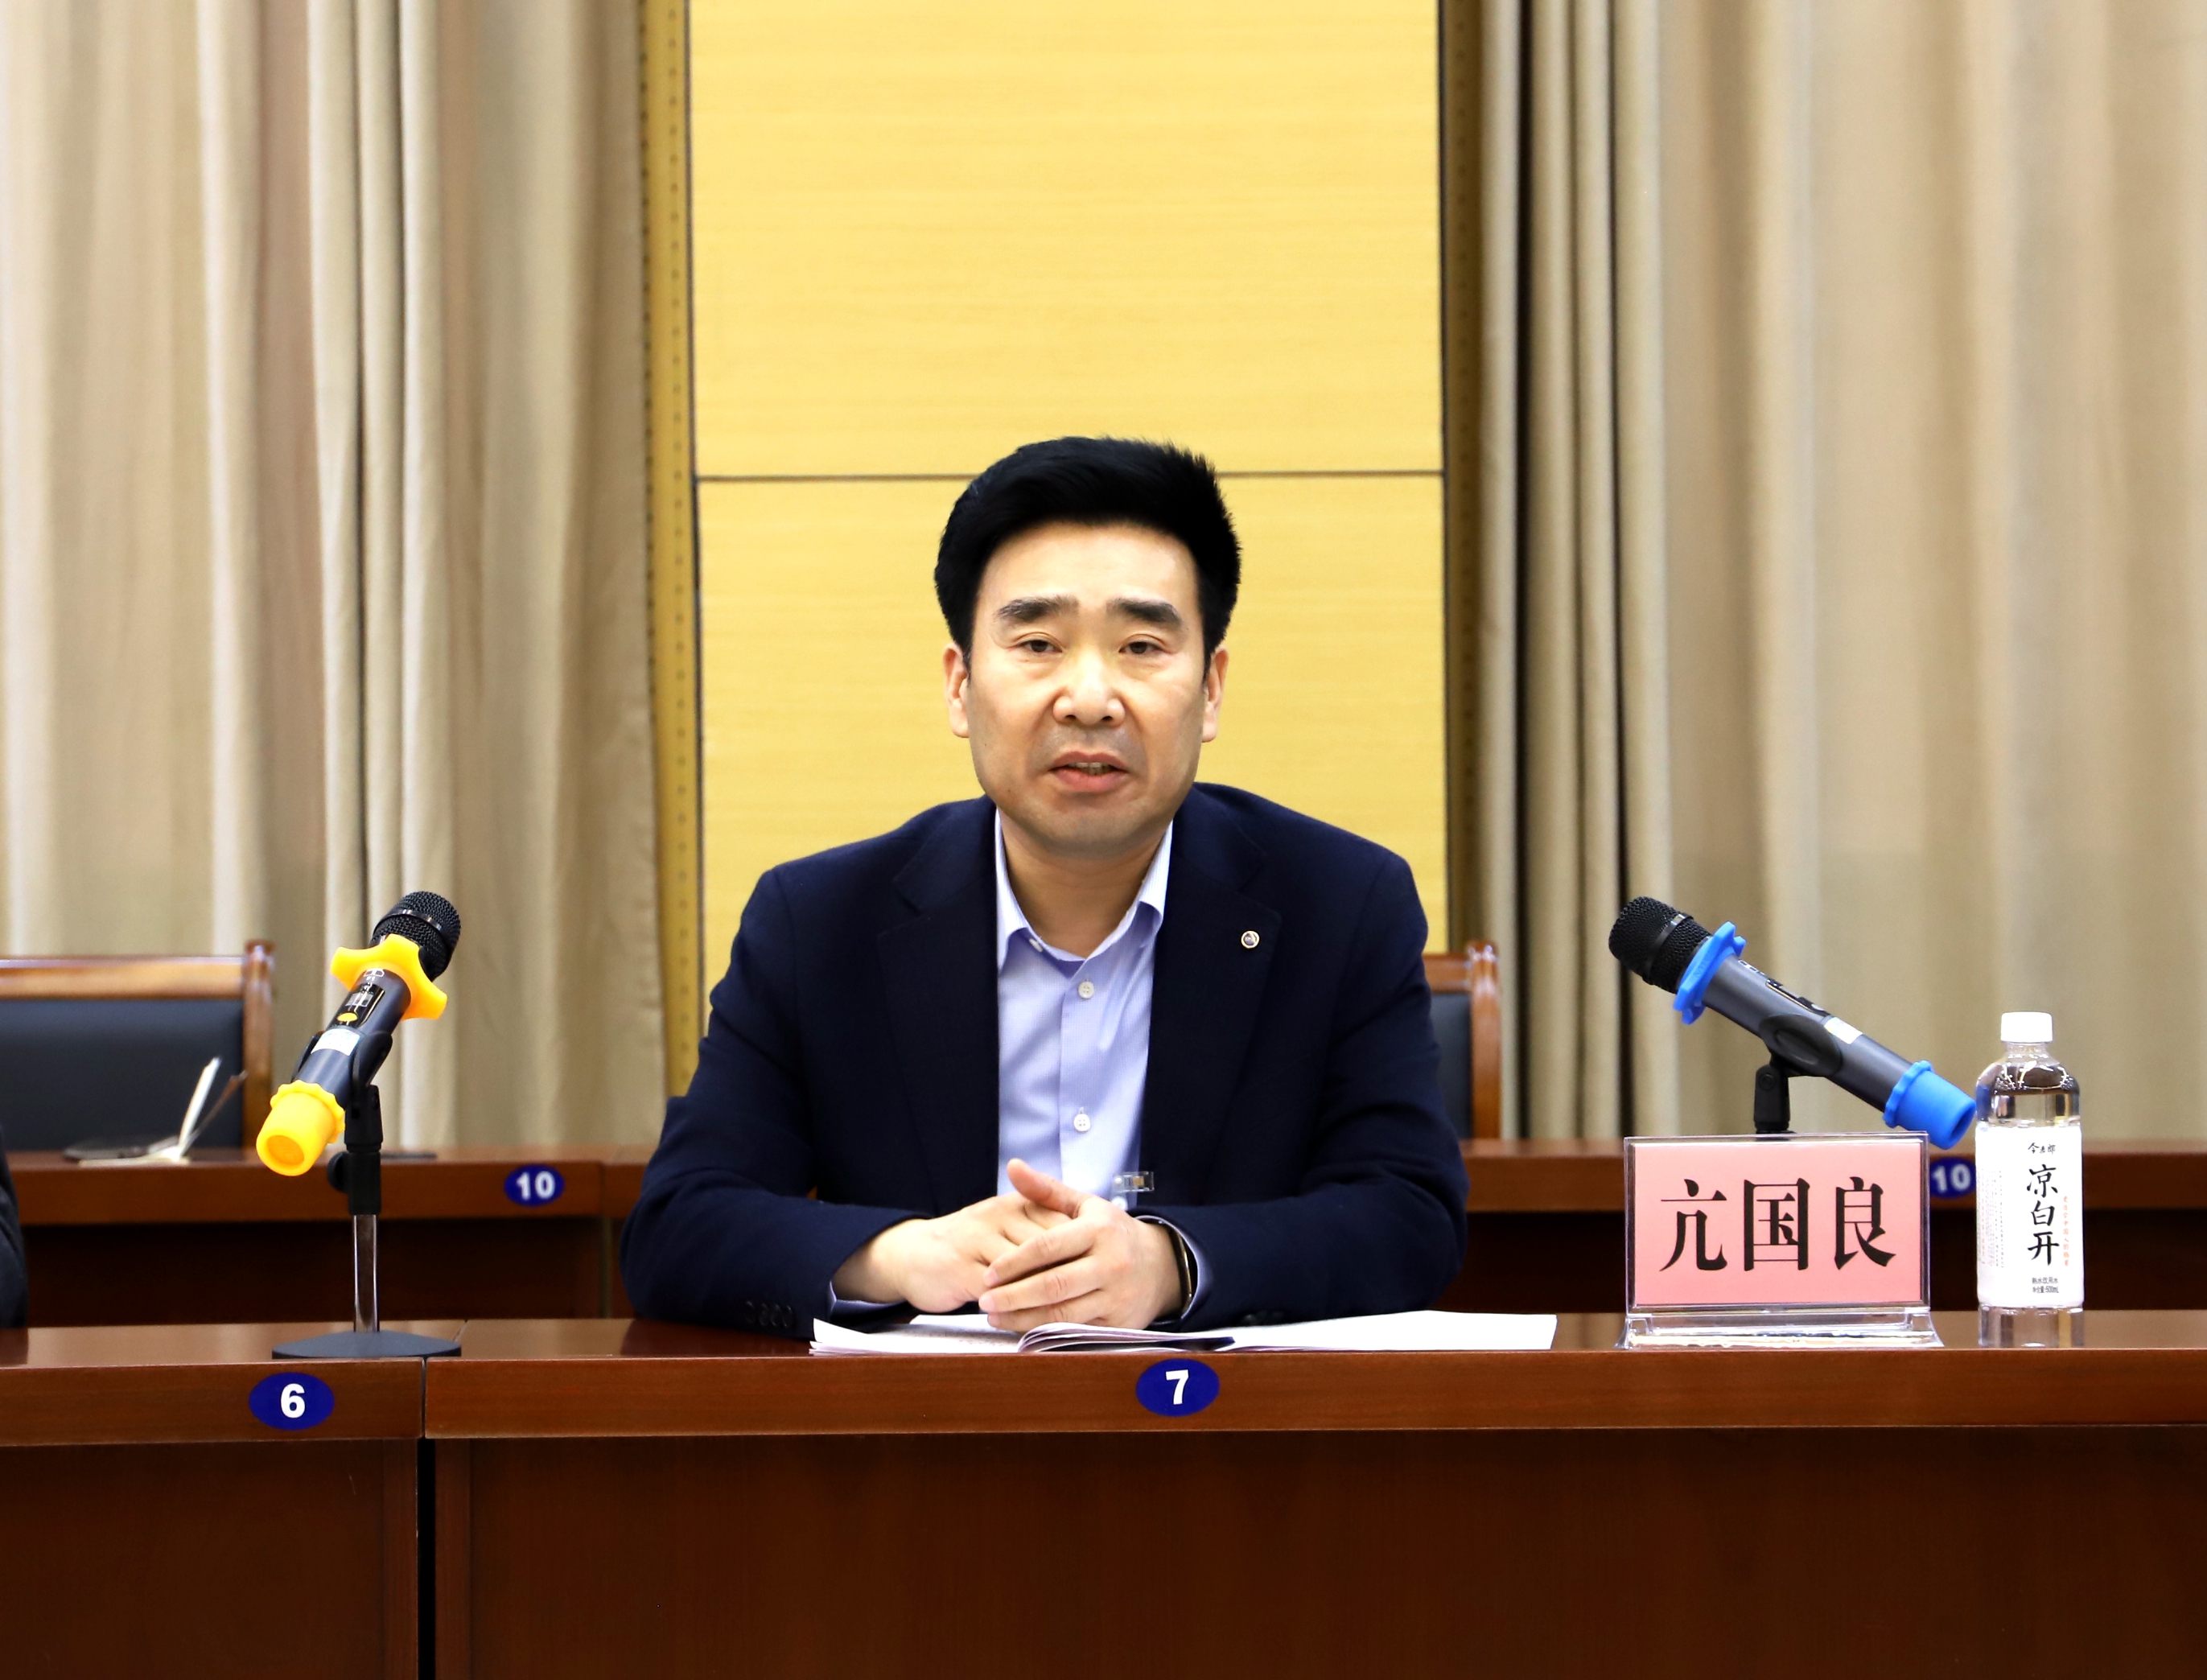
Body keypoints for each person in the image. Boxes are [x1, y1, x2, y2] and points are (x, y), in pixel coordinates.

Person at [621, 436, 1467, 1336]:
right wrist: (895, 1255)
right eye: (1037, 644)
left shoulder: (1341, 904)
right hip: (925, 1422)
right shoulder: (818, 922)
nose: (1090, 697)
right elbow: (680, 1225)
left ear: (1211, 689)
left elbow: (1408, 1216)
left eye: (1141, 646)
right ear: (960, 687)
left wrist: (1173, 1264)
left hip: (1218, 1415)